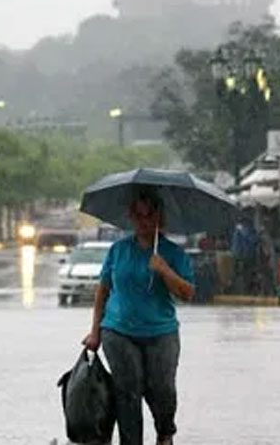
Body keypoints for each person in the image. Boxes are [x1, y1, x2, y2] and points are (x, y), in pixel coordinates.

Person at [82, 187, 195, 445]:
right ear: (131, 218)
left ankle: (165, 433)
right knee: (128, 391)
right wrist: (95, 331)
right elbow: (103, 291)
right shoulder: (118, 251)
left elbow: (187, 293)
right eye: (139, 216)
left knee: (162, 390)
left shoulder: (173, 254)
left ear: (160, 219)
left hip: (161, 332)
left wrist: (164, 270)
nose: (144, 222)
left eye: (149, 215)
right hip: (118, 331)